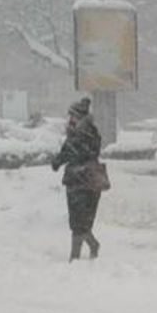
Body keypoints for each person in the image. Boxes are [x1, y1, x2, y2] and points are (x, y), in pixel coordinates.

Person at [51, 97, 103, 261]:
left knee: (79, 220)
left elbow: (71, 153)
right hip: (87, 180)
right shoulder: (89, 132)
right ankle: (91, 245)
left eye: (72, 116)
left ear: (79, 117)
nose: (70, 119)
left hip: (81, 180)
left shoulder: (81, 134)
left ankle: (75, 256)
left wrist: (57, 162)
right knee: (82, 220)